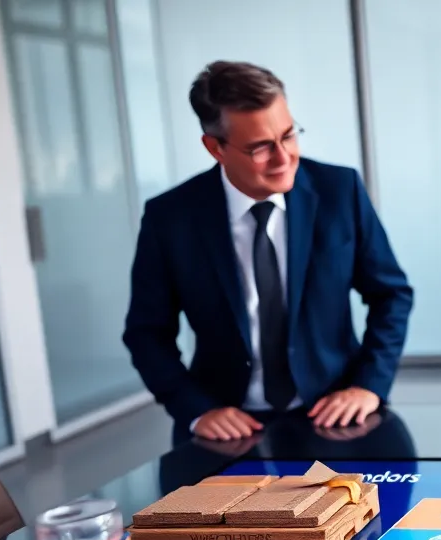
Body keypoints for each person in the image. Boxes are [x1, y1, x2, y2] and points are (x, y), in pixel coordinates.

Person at [124, 61, 412, 443]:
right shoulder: (171, 217)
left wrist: (369, 385)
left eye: (289, 135)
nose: (283, 158)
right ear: (215, 148)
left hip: (335, 413)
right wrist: (194, 408)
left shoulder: (340, 191)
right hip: (226, 424)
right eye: (260, 147)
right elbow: (147, 333)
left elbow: (391, 294)